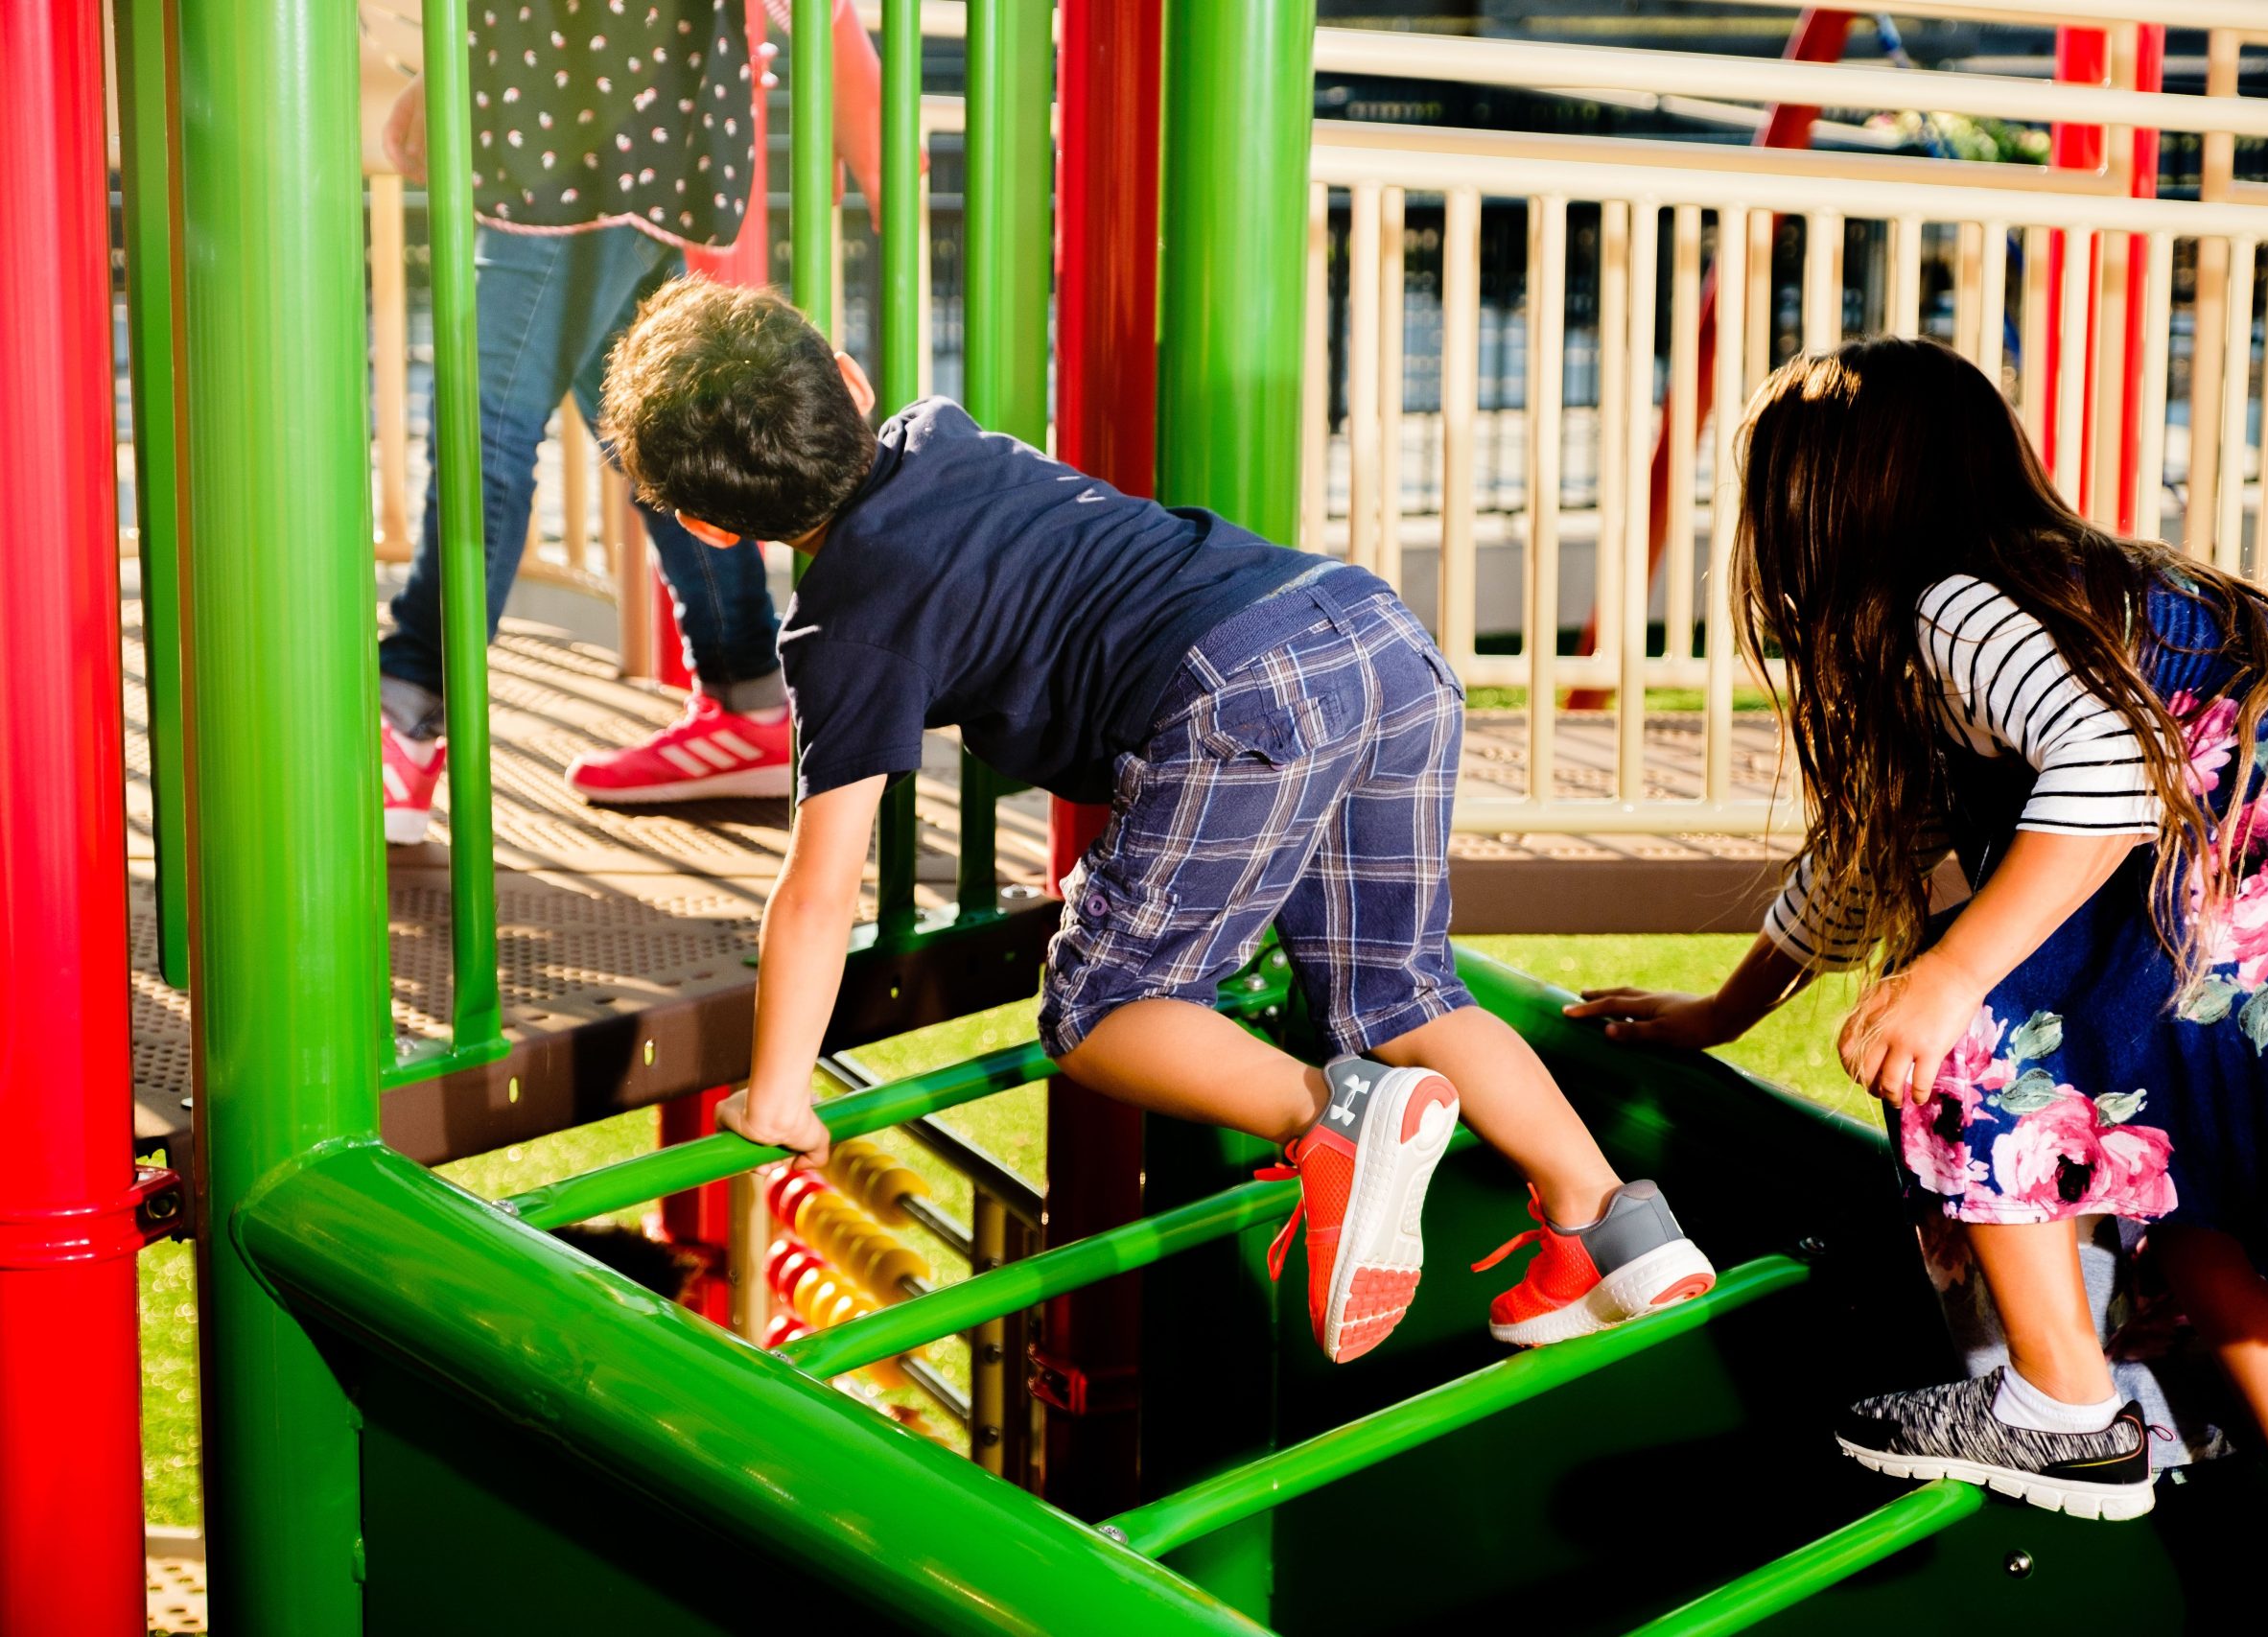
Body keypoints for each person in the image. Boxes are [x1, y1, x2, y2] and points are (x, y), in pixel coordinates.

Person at [593, 277, 1722, 1362]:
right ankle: (1613, 1226)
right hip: (1371, 628)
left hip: (1239, 689)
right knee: (1400, 986)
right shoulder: (943, 431)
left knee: (1102, 1003)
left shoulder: (844, 633)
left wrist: (780, 1090)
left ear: (708, 526)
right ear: (849, 382)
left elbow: (823, 880)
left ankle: (1330, 1115)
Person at [1578, 337, 2268, 1637]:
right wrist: (1724, 1010)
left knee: (1974, 1034)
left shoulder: (1957, 603)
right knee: (2208, 1234)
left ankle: (2062, 1401)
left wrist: (1951, 974)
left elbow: (2104, 771)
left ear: (1829, 510)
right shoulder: (2054, 593)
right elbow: (1867, 854)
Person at [374, 0, 885, 842]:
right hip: (600, 136)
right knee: (652, 423)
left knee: (486, 427)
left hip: (584, 157)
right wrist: (447, 71)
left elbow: (825, 18)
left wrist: (881, 155)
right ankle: (750, 694)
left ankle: (411, 706)